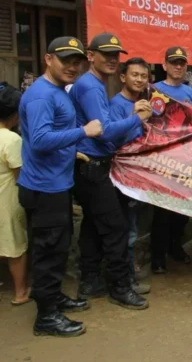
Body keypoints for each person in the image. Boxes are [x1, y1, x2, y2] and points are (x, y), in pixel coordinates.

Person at [18, 36, 103, 337]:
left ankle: (52, 298)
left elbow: (50, 135)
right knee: (49, 251)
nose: (72, 65)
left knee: (58, 246)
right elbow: (40, 140)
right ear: (48, 58)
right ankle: (46, 316)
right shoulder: (42, 95)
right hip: (45, 188)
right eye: (65, 59)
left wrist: (71, 150)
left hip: (54, 183)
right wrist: (83, 131)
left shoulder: (55, 91)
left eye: (76, 60)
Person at [69, 33, 151, 310]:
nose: (113, 59)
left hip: (89, 167)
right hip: (93, 166)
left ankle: (90, 281)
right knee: (116, 228)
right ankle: (120, 287)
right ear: (91, 56)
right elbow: (103, 133)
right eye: (106, 54)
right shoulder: (92, 87)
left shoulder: (94, 84)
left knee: (93, 226)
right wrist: (136, 118)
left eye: (116, 54)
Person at [149, 47, 192, 268]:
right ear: (164, 65)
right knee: (161, 211)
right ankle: (158, 258)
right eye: (174, 62)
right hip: (161, 159)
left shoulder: (191, 94)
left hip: (185, 159)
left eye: (182, 63)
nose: (178, 66)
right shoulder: (153, 91)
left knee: (181, 211)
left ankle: (176, 248)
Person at [109, 57, 152, 295]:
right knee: (126, 231)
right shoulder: (116, 105)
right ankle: (123, 282)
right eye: (135, 75)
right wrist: (134, 117)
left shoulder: (145, 103)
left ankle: (128, 276)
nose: (139, 79)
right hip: (120, 178)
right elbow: (112, 140)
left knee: (133, 228)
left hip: (137, 178)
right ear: (123, 77)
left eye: (143, 76)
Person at [0, 84, 29, 307]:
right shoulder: (11, 140)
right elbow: (20, 173)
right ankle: (20, 292)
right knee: (14, 247)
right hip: (7, 201)